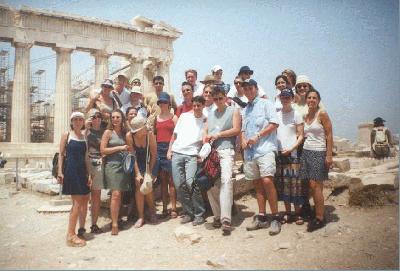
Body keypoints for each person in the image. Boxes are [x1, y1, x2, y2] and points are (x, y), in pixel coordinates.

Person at [240, 79, 281, 235]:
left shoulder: (266, 104)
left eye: (251, 88)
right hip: (250, 152)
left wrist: (258, 135)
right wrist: (243, 139)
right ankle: (262, 216)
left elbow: (274, 123)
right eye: (246, 89)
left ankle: (276, 217)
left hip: (265, 149)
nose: (248, 91)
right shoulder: (245, 110)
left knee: (267, 180)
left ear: (256, 89)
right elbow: (242, 129)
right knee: (257, 183)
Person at [203, 86, 241, 234]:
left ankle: (226, 219)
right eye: (215, 98)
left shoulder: (233, 111)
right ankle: (217, 215)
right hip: (211, 152)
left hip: (226, 150)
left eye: (220, 98)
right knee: (211, 184)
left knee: (226, 181)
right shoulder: (211, 114)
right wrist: (205, 137)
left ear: (225, 97)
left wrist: (219, 134)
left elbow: (237, 129)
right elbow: (205, 130)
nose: (218, 101)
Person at [167, 96, 207, 226]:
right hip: (177, 152)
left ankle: (199, 214)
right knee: (179, 184)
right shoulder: (184, 116)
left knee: (191, 183)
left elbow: (206, 140)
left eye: (199, 106)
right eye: (194, 105)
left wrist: (202, 154)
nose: (196, 108)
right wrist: (169, 149)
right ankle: (188, 213)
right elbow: (175, 134)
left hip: (192, 154)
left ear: (203, 106)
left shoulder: (206, 120)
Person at [299, 89, 333, 232]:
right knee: (309, 185)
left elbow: (329, 134)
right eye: (309, 98)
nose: (311, 100)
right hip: (306, 152)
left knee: (316, 186)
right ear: (306, 100)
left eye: (314, 98)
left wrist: (329, 155)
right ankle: (315, 212)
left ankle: (320, 217)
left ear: (318, 100)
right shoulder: (305, 115)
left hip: (319, 152)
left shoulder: (322, 114)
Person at [57, 111, 91, 247]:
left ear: (83, 122)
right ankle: (70, 235)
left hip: (82, 172)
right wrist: (60, 171)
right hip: (71, 171)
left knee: (83, 203)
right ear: (71, 121)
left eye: (80, 119)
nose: (78, 122)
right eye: (75, 119)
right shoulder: (66, 135)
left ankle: (76, 232)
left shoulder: (84, 137)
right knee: (76, 204)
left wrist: (89, 174)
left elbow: (86, 158)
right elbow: (61, 154)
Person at [274, 89, 306, 225]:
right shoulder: (276, 115)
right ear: (280, 98)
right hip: (280, 154)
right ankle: (288, 213)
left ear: (292, 98)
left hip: (292, 154)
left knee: (295, 185)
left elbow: (301, 136)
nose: (285, 99)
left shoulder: (296, 114)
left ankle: (298, 213)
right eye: (283, 96)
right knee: (283, 185)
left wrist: (291, 149)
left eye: (288, 97)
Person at [100, 109, 131, 235]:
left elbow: (130, 148)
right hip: (111, 166)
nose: (115, 119)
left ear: (122, 119)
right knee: (116, 194)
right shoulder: (108, 132)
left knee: (120, 195)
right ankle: (114, 224)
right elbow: (102, 150)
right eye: (113, 117)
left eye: (118, 117)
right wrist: (119, 148)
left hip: (123, 166)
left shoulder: (125, 133)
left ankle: (117, 218)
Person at [126, 116, 158, 228]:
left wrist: (149, 172)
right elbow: (132, 155)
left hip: (149, 162)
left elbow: (154, 154)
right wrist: (138, 173)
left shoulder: (150, 135)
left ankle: (152, 212)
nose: (147, 129)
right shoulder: (130, 136)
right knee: (139, 185)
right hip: (136, 163)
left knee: (147, 185)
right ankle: (141, 216)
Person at [154, 92, 178, 218]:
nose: (163, 104)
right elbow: (154, 135)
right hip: (159, 149)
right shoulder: (156, 118)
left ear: (169, 104)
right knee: (163, 180)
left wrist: (171, 149)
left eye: (165, 102)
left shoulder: (174, 118)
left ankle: (173, 207)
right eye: (161, 102)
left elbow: (176, 135)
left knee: (172, 181)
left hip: (171, 149)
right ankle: (164, 207)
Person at [85, 109, 105, 234]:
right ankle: (81, 226)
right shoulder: (85, 132)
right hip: (86, 164)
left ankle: (93, 224)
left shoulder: (104, 132)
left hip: (98, 164)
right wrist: (86, 128)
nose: (96, 119)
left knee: (96, 195)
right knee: (84, 196)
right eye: (94, 117)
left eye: (99, 116)